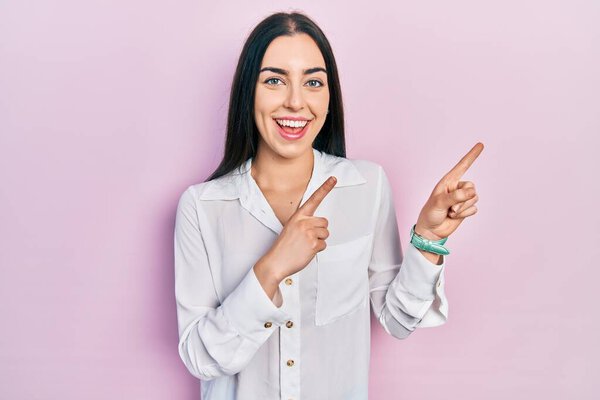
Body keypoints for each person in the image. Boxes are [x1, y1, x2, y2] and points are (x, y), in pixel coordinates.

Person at [174, 11, 483, 400]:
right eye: (274, 80)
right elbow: (200, 357)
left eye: (313, 82)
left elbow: (399, 320)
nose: (295, 102)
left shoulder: (366, 186)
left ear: (329, 95)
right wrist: (271, 269)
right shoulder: (202, 207)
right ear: (248, 92)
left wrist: (429, 238)